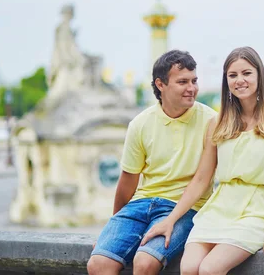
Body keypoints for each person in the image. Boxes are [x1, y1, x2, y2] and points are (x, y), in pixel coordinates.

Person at [141, 46, 264, 274]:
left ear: (259, 76)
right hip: (217, 210)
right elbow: (202, 178)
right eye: (232, 75)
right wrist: (171, 220)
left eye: (246, 73)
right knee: (189, 267)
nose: (239, 80)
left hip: (254, 212)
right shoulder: (218, 122)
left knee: (210, 269)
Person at [87, 50, 217, 275]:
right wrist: (115, 225)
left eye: (194, 81)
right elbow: (128, 181)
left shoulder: (211, 121)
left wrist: (170, 220)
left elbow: (202, 179)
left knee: (145, 262)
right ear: (161, 84)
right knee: (99, 264)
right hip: (141, 204)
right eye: (183, 82)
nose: (192, 88)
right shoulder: (140, 123)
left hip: (184, 208)